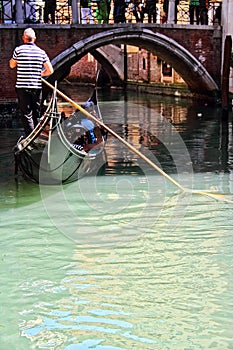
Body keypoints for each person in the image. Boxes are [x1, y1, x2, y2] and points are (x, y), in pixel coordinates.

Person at [9, 28, 54, 136]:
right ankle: (37, 135)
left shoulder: (18, 50)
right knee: (36, 113)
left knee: (26, 113)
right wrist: (41, 74)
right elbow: (50, 70)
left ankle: (30, 136)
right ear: (34, 39)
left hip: (22, 87)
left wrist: (14, 59)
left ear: (23, 38)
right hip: (36, 86)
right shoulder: (41, 52)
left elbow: (12, 65)